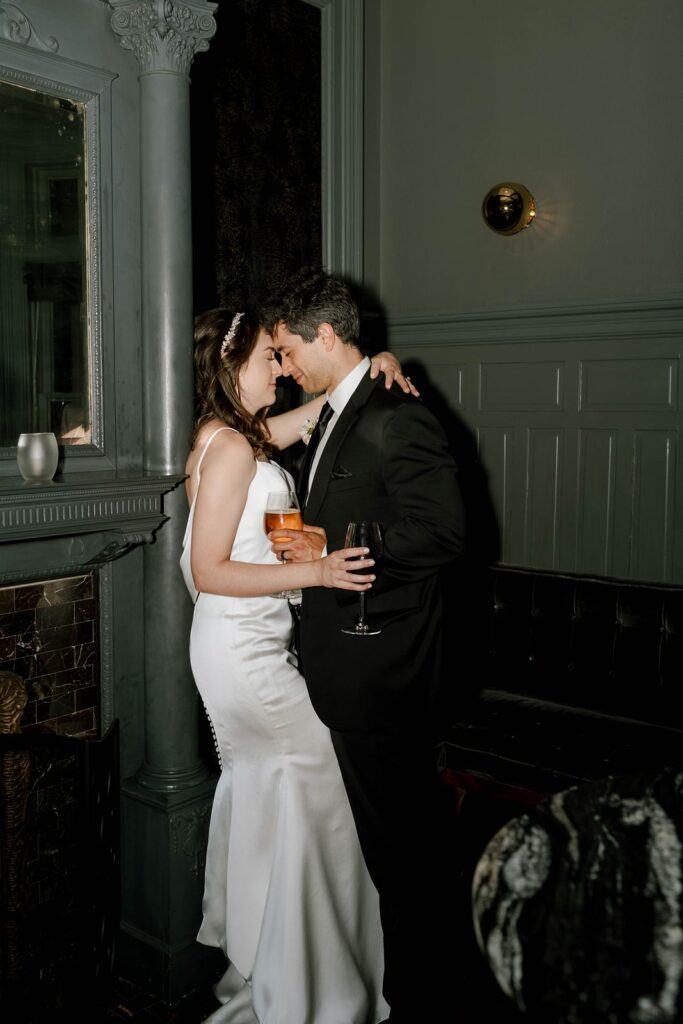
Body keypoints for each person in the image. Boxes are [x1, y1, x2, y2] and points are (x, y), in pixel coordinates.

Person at [179, 305, 415, 1024]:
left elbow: (312, 416)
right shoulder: (226, 450)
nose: (279, 368)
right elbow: (206, 570)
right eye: (265, 359)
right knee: (320, 785)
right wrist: (315, 577)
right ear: (231, 368)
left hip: (250, 643)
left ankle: (287, 971)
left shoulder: (236, 437)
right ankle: (305, 985)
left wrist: (367, 370)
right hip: (240, 650)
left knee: (292, 797)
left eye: (281, 357)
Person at [268, 268, 466, 1023]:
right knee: (396, 847)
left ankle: (423, 998)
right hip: (349, 659)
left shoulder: (393, 417)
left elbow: (445, 531)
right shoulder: (336, 411)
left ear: (324, 336)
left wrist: (347, 545)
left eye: (287, 351)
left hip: (383, 665)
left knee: (403, 856)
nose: (284, 367)